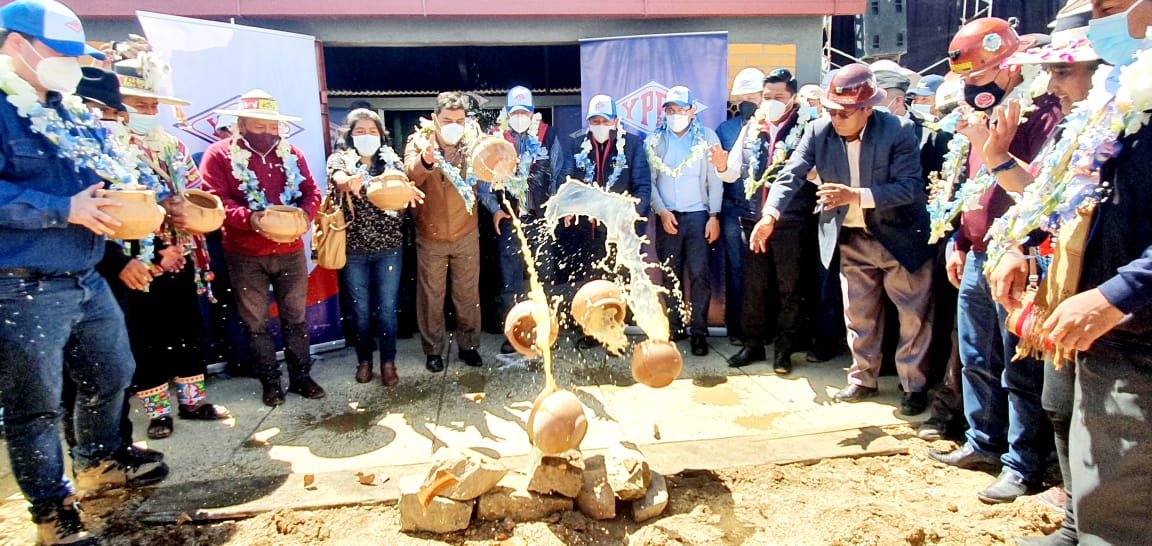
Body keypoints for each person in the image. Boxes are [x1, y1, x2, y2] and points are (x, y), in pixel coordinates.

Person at [0, 2, 167, 543]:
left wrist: (155, 202)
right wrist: (61, 210)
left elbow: (111, 172)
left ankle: (97, 462)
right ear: (18, 45)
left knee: (112, 371)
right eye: (61, 53)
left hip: (86, 274)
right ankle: (52, 512)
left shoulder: (69, 109)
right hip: (22, 282)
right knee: (36, 406)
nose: (71, 65)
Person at [928, 16, 1065, 505]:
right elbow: (969, 188)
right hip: (977, 254)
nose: (974, 87)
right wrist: (959, 242)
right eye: (967, 80)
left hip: (1023, 257)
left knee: (1018, 367)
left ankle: (1022, 463)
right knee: (975, 358)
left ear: (1009, 65)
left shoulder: (1041, 113)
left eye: (980, 76)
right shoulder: (978, 113)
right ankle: (982, 441)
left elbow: (1044, 191)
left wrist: (996, 150)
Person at [982, 3, 1106, 541]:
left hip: (1113, 300)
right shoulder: (1078, 125)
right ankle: (1076, 524)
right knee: (1059, 405)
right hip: (1063, 289)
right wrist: (1019, 240)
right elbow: (1048, 201)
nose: (1051, 84)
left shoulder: (1128, 121)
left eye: (1062, 70)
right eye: (1049, 71)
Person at [750, 63, 935, 416]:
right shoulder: (818, 131)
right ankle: (863, 379)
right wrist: (770, 215)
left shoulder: (899, 130)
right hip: (852, 238)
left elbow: (910, 188)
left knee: (912, 317)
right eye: (831, 110)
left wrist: (856, 195)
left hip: (898, 236)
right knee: (859, 314)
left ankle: (914, 386)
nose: (836, 118)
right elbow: (791, 175)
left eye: (844, 112)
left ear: (867, 108)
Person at [108, 44, 232, 439]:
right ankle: (158, 411)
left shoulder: (173, 146)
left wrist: (185, 232)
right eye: (137, 104)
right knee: (146, 336)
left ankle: (193, 401)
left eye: (150, 105)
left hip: (184, 252)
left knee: (188, 328)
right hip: (137, 259)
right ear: (119, 105)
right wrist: (159, 249)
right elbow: (113, 210)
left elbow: (195, 194)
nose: (146, 112)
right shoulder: (108, 148)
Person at [201, 89, 325, 407]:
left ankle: (301, 377)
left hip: (290, 251)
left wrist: (304, 215)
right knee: (256, 322)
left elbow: (311, 191)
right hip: (244, 254)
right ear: (241, 124)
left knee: (296, 317)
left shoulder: (292, 153)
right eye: (260, 126)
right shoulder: (218, 155)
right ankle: (270, 383)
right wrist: (253, 219)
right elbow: (216, 203)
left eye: (273, 127)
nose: (268, 133)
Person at [719, 68, 818, 374]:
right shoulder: (752, 127)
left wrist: (807, 170)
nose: (772, 102)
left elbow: (821, 175)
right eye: (767, 97)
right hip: (751, 219)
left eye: (779, 97)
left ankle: (784, 350)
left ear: (793, 97)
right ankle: (753, 345)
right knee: (754, 286)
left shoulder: (808, 129)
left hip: (791, 222)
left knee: (789, 288)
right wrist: (721, 166)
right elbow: (733, 172)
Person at [328, 108, 420, 386]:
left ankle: (388, 362)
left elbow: (402, 188)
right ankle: (365, 361)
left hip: (389, 248)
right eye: (360, 131)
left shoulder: (391, 161)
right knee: (361, 310)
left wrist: (407, 190)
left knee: (388, 309)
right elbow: (337, 179)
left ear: (381, 135)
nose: (366, 136)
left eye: (372, 131)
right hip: (354, 249)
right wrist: (348, 181)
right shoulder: (340, 159)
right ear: (349, 135)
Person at [556, 94, 651, 349]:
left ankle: (615, 334)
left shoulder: (632, 145)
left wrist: (630, 217)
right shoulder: (577, 143)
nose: (599, 125)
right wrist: (566, 206)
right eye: (594, 120)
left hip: (619, 231)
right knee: (590, 280)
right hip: (588, 230)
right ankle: (591, 331)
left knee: (618, 280)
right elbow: (565, 179)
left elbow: (642, 187)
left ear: (616, 121)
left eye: (604, 120)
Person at [403, 92, 484, 372]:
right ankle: (433, 350)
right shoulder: (417, 142)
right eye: (448, 120)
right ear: (435, 119)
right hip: (431, 236)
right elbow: (409, 175)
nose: (454, 125)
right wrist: (425, 161)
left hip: (466, 233)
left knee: (467, 294)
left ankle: (469, 346)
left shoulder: (474, 142)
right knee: (431, 297)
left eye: (460, 120)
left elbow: (492, 166)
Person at [478, 86, 562, 354]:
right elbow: (482, 179)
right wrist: (494, 209)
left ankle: (546, 331)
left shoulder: (549, 137)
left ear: (533, 113)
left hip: (540, 219)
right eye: (516, 112)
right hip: (510, 220)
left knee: (544, 276)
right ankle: (514, 333)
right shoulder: (496, 139)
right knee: (510, 280)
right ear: (507, 113)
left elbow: (560, 174)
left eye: (525, 112)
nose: (520, 116)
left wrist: (554, 206)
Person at [648, 85, 722, 356]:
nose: (676, 114)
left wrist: (713, 215)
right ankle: (676, 326)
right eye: (670, 109)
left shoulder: (708, 137)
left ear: (692, 111)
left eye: (681, 109)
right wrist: (662, 211)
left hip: (699, 217)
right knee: (671, 275)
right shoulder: (654, 141)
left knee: (700, 275)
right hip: (668, 218)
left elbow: (715, 181)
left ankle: (699, 332)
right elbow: (650, 183)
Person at [716, 68, 765, 345]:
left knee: (762, 271)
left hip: (764, 211)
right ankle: (737, 329)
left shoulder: (772, 128)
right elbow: (723, 171)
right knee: (737, 269)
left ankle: (761, 330)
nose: (747, 102)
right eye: (742, 97)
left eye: (753, 96)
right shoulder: (726, 129)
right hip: (734, 209)